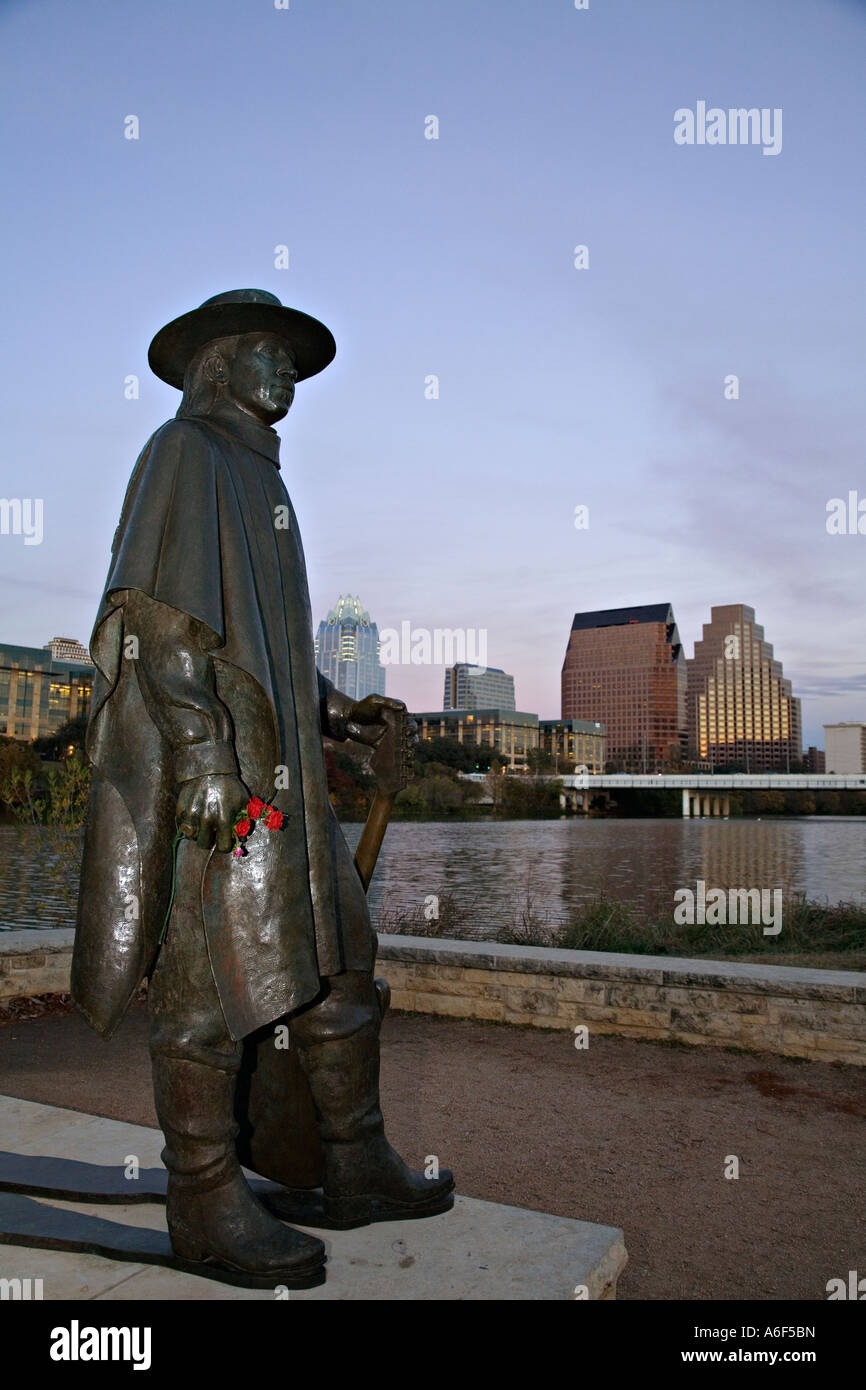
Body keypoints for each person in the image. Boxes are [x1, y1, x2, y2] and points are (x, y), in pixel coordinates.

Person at [72, 289, 453, 1288]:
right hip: (228, 787)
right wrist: (203, 759)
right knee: (204, 991)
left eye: (291, 357)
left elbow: (267, 651)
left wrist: (336, 714)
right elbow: (163, 628)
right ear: (216, 365)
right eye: (267, 353)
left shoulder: (259, 478)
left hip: (287, 785)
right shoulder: (184, 453)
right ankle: (202, 1198)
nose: (285, 370)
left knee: (342, 967)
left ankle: (354, 1160)